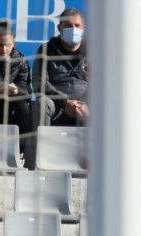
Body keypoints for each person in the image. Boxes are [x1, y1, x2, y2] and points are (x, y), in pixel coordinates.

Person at [27, 7, 89, 170]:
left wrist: (86, 103)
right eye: (68, 25)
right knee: (42, 104)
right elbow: (39, 84)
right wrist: (65, 102)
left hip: (86, 107)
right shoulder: (46, 50)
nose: (73, 29)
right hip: (57, 107)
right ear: (59, 28)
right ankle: (37, 164)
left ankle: (93, 164)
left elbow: (105, 84)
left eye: (77, 25)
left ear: (84, 29)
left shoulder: (96, 52)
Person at [0, 21, 31, 160]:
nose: (4, 49)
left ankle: (21, 151)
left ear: (14, 43)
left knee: (24, 109)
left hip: (12, 100)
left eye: (8, 45)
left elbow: (27, 88)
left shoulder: (21, 60)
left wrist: (16, 91)